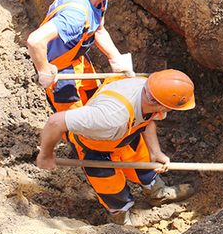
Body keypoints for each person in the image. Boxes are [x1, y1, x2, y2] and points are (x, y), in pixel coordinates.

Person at [36, 69, 197, 225]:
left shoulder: (153, 91)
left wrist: (156, 152)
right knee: (112, 191)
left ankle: (157, 194)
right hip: (97, 148)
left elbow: (150, 118)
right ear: (164, 106)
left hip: (127, 135)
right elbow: (56, 122)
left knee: (146, 167)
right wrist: (45, 155)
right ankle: (120, 223)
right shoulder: (109, 116)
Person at [27, 0, 136, 113]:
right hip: (59, 68)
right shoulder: (76, 15)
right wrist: (44, 72)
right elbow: (35, 41)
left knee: (93, 101)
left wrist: (117, 60)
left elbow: (98, 30)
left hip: (78, 60)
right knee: (73, 120)